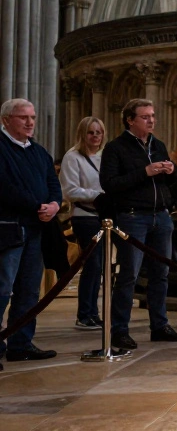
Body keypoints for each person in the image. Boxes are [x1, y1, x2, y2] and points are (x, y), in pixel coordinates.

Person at [100, 98, 177, 349]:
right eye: (145, 116)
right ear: (130, 119)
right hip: (132, 216)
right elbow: (109, 184)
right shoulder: (116, 148)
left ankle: (159, 325)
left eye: (152, 116)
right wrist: (145, 172)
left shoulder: (157, 145)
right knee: (129, 274)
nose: (151, 120)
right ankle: (119, 330)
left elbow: (174, 184)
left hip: (160, 216)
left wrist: (172, 171)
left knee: (161, 274)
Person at [0, 99, 61, 365]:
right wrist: (37, 205)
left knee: (28, 290)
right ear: (6, 120)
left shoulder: (38, 151)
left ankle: (20, 344)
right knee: (2, 288)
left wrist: (55, 204)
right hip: (8, 229)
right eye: (23, 117)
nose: (30, 122)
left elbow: (52, 182)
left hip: (36, 228)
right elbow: (5, 188)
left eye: (33, 117)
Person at [60, 116, 108, 330]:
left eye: (99, 132)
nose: (96, 136)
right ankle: (84, 314)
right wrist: (98, 195)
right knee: (92, 265)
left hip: (103, 218)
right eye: (91, 132)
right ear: (82, 134)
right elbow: (69, 190)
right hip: (84, 216)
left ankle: (93, 312)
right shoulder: (73, 157)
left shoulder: (103, 156)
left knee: (99, 267)